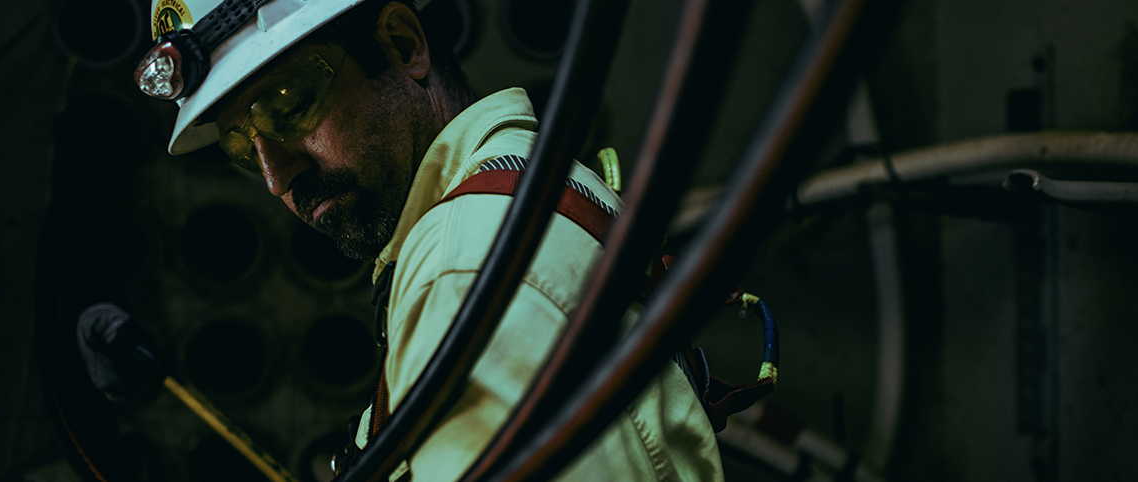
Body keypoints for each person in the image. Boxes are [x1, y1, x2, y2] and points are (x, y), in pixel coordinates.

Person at [135, 0, 724, 479]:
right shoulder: (528, 197)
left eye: (289, 105)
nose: (275, 177)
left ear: (403, 45)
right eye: (242, 148)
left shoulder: (464, 267)